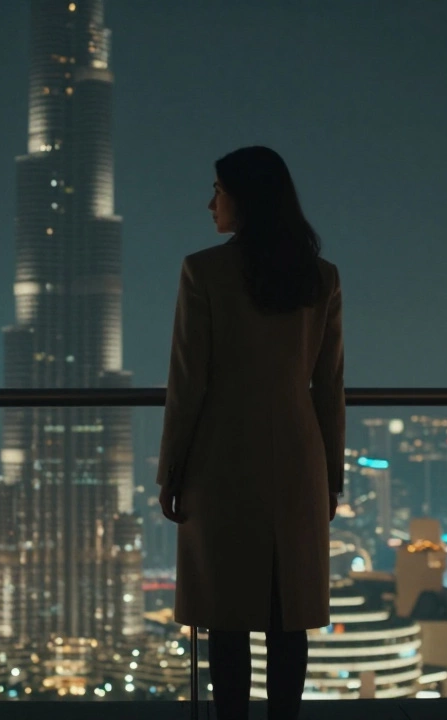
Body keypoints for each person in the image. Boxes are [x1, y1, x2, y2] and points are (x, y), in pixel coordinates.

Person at [156, 146, 345, 720]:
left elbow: (187, 385)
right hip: (298, 458)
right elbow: (328, 388)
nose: (209, 201)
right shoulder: (321, 277)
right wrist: (331, 476)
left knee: (227, 615)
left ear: (245, 197)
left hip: (221, 461)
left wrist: (172, 472)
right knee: (288, 614)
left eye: (218, 188)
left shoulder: (204, 271)